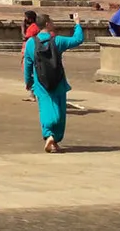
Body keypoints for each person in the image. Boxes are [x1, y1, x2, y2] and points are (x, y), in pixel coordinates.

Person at [25, 13, 85, 153]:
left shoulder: (30, 43)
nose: (53, 23)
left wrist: (28, 81)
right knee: (59, 111)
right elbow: (78, 39)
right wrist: (77, 23)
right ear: (47, 24)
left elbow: (28, 64)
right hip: (58, 80)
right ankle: (54, 137)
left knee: (45, 108)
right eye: (51, 21)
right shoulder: (57, 41)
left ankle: (50, 137)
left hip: (40, 82)